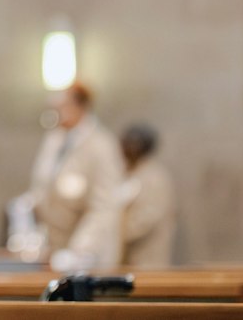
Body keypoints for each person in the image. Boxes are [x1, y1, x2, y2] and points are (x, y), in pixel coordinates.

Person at [22, 82, 125, 273]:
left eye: (62, 108)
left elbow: (104, 206)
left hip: (86, 255)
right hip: (54, 247)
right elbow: (41, 185)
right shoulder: (54, 139)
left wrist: (78, 251)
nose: (57, 113)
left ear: (79, 107)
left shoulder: (101, 145)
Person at [118, 122, 176, 268]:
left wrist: (115, 233)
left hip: (146, 259)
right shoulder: (126, 173)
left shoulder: (154, 177)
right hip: (123, 258)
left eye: (129, 144)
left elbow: (147, 218)